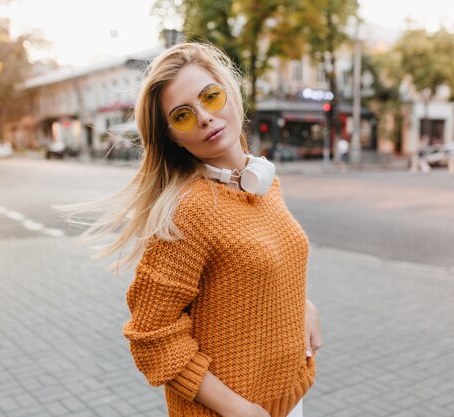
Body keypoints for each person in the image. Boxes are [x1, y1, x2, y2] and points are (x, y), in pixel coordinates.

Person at [72, 43, 322, 417]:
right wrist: (238, 409)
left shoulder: (263, 181)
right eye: (184, 115)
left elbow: (252, 273)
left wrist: (302, 305)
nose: (205, 117)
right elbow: (151, 337)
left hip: (287, 398)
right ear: (173, 136)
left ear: (230, 91)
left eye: (210, 96)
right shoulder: (189, 211)